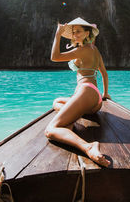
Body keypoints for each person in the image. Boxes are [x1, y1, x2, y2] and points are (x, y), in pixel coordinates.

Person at [44, 17, 110, 167]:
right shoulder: (94, 50)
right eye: (73, 32)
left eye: (78, 32)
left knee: (51, 130)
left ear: (88, 33)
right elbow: (104, 74)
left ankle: (88, 146)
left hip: (85, 92)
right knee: (57, 102)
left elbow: (54, 57)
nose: (75, 35)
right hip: (96, 100)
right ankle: (71, 117)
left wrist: (58, 34)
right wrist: (105, 94)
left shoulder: (81, 50)